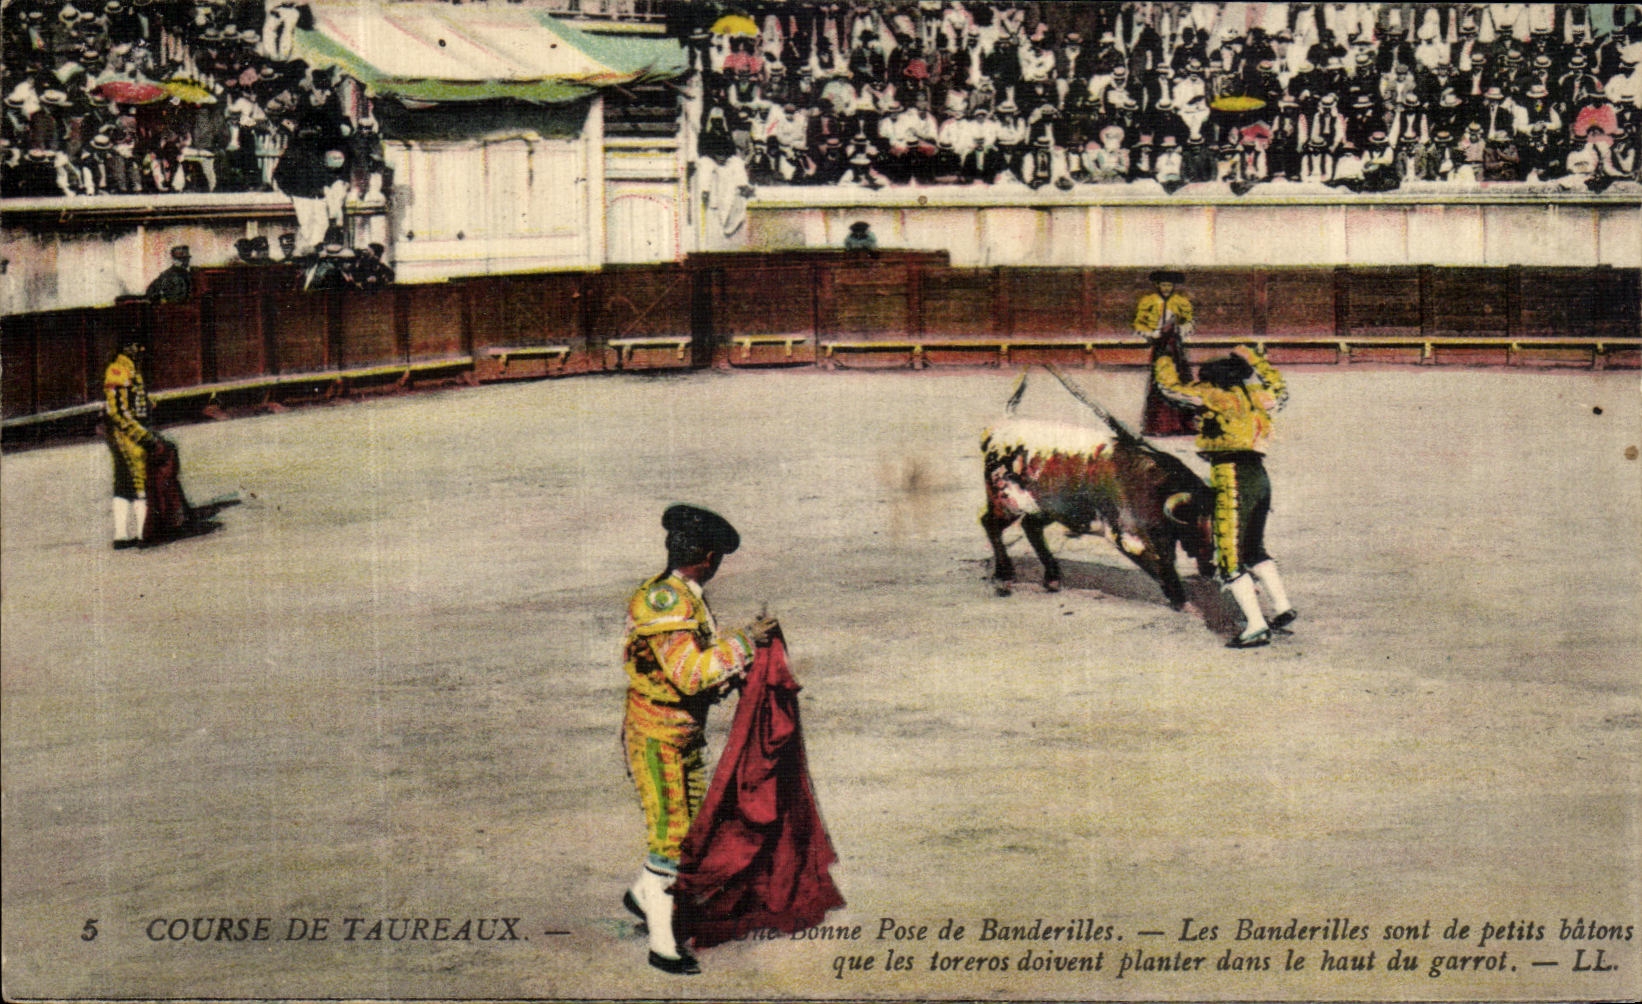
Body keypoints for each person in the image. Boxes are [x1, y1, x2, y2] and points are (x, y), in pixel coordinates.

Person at [621, 504, 778, 975]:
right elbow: (691, 675)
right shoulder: (666, 602)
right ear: (709, 559)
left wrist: (736, 662)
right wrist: (746, 644)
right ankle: (663, 943)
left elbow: (696, 673)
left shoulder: (677, 595)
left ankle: (641, 892)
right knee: (673, 839)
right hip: (658, 735)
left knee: (685, 831)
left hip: (677, 731)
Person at [1152, 345, 1296, 648]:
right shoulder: (1256, 397)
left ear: (1213, 381)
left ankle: (1256, 627)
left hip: (1231, 476)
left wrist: (1162, 358)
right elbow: (1281, 391)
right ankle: (1282, 608)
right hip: (1259, 477)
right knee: (1253, 547)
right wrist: (1256, 361)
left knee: (1230, 558)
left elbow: (1169, 390)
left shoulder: (1213, 396)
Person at [103, 332, 159, 548]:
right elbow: (118, 411)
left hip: (126, 433)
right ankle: (141, 534)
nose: (142, 350)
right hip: (127, 435)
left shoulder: (129, 368)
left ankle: (122, 535)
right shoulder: (119, 369)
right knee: (138, 481)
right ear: (127, 347)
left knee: (124, 483)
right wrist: (141, 435)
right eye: (138, 346)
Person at [1133, 269, 1197, 437]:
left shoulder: (1181, 302)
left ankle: (1184, 424)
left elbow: (1189, 321)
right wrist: (1152, 333)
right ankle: (1159, 425)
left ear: (1174, 286)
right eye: (1163, 285)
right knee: (1160, 379)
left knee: (1181, 378)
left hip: (1176, 345)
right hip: (1159, 344)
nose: (1166, 288)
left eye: (1169, 285)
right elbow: (1139, 323)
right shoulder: (1148, 301)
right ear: (1157, 285)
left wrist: (1181, 329)